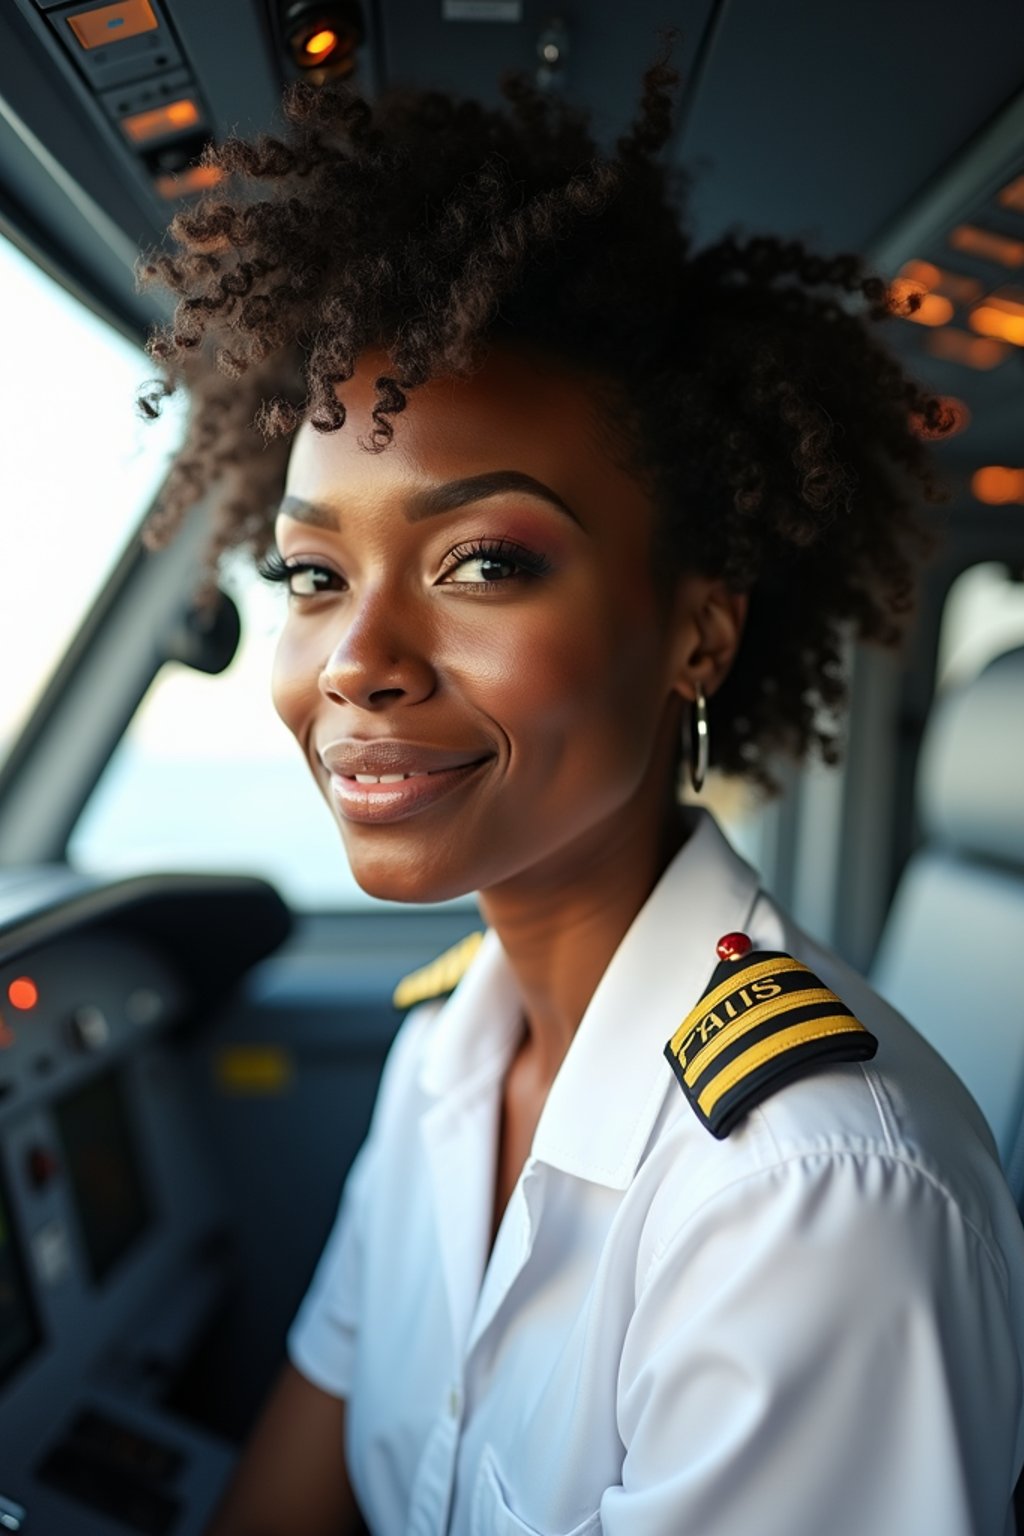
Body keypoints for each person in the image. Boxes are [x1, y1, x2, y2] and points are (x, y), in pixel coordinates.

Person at [138, 48, 1024, 1536]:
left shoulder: (811, 1195)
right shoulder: (450, 1058)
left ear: (698, 629)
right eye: (311, 573)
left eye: (483, 561)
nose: (357, 659)